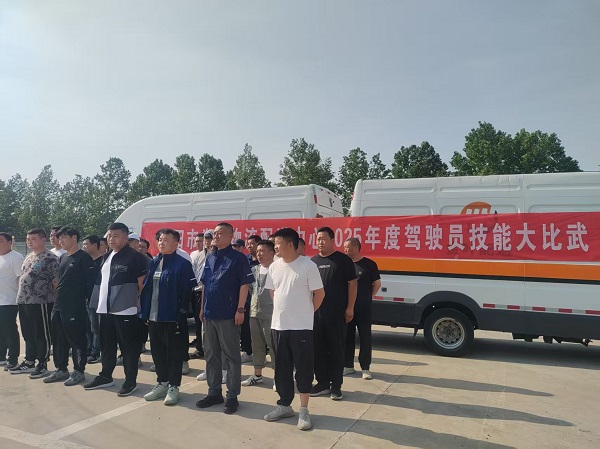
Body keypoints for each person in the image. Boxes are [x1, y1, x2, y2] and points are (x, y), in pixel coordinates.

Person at [263, 228, 324, 431]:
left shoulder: (308, 265)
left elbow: (320, 294)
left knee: (304, 368)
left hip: (301, 327)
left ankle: (304, 409)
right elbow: (273, 292)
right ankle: (284, 405)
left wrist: (306, 312)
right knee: (282, 368)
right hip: (279, 326)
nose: (275, 247)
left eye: (278, 243)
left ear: (290, 244)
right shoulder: (274, 266)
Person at [196, 222, 254, 415]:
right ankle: (214, 392)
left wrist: (240, 309)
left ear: (231, 236)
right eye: (214, 233)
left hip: (228, 314)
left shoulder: (238, 258)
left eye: (220, 233)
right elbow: (205, 284)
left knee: (231, 356)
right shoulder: (210, 257)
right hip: (209, 313)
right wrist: (202, 308)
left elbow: (244, 285)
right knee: (211, 354)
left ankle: (232, 396)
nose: (216, 236)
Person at [84, 222, 149, 396]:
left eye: (116, 236)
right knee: (107, 345)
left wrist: (136, 302)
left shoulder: (135, 257)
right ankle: (106, 376)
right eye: (110, 236)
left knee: (128, 348)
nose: (112, 239)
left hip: (125, 310)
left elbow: (142, 283)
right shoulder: (107, 256)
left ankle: (130, 381)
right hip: (105, 310)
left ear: (126, 238)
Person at [140, 229, 197, 406]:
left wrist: (180, 313)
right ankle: (162, 383)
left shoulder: (182, 264)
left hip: (172, 317)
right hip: (154, 316)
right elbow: (147, 289)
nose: (161, 243)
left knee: (174, 354)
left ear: (176, 243)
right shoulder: (155, 261)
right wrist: (145, 312)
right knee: (157, 353)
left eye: (166, 240)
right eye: (160, 240)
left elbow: (188, 292)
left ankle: (174, 387)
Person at [44, 226, 96, 386]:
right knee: (58, 339)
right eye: (59, 238)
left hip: (75, 306)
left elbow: (91, 283)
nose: (60, 241)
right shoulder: (63, 258)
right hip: (59, 305)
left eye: (64, 237)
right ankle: (61, 369)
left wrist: (84, 301)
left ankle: (79, 371)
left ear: (74, 238)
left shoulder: (84, 258)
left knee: (76, 339)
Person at [310, 227, 357, 400]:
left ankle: (336, 386)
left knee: (336, 349)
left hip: (337, 314)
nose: (320, 242)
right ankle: (322, 383)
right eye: (318, 239)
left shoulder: (343, 260)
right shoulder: (312, 262)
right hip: (316, 314)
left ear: (332, 240)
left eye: (324, 239)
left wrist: (350, 307)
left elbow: (353, 284)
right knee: (318, 349)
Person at [14, 229, 58, 378]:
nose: (29, 242)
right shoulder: (29, 256)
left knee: (41, 334)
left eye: (33, 239)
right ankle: (29, 361)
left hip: (41, 301)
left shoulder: (50, 257)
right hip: (24, 300)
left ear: (43, 239)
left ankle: (42, 363)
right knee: (28, 333)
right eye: (28, 239)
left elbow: (56, 281)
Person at [343, 238, 381, 380]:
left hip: (364, 308)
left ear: (356, 247)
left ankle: (365, 368)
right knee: (348, 337)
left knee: (365, 337)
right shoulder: (344, 264)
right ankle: (348, 366)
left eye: (347, 247)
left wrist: (368, 297)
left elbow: (377, 284)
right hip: (347, 308)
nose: (345, 250)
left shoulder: (369, 264)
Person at [241, 240, 276, 388]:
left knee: (273, 346)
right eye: (258, 251)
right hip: (255, 313)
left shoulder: (277, 270)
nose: (259, 254)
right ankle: (257, 374)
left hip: (271, 314)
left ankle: (278, 376)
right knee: (257, 345)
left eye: (262, 251)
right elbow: (250, 289)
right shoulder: (254, 270)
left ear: (272, 253)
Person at [0, 232, 24, 372]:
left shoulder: (16, 257)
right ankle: (1, 356)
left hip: (9, 301)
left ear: (9, 242)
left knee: (9, 330)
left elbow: (21, 279)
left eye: (1, 240)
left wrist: (20, 297)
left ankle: (13, 359)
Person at [82, 235, 104, 364]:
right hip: (86, 299)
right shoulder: (86, 261)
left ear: (95, 245)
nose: (84, 247)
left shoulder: (103, 262)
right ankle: (88, 350)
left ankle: (96, 353)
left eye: (86, 244)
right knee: (87, 327)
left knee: (96, 328)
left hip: (98, 300)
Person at [189, 233, 205, 359]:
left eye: (201, 241)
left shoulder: (208, 254)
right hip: (193, 290)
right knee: (196, 320)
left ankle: (201, 348)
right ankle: (199, 343)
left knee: (201, 321)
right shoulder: (193, 254)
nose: (198, 243)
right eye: (197, 241)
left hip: (202, 291)